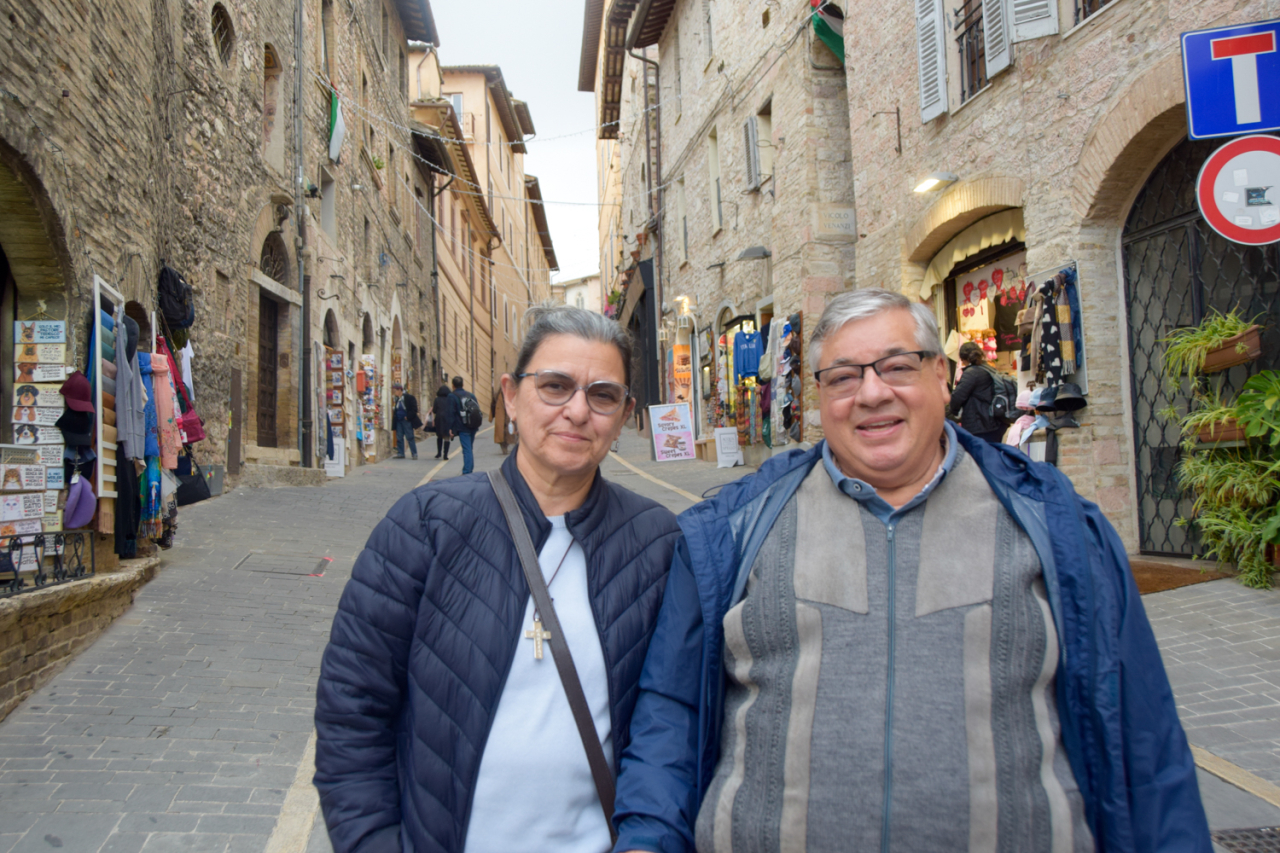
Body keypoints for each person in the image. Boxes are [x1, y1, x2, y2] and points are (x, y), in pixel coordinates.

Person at [614, 288, 1209, 853]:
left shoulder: (1055, 526)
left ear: (942, 378)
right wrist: (647, 839)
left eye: (898, 367)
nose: (872, 393)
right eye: (843, 377)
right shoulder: (733, 532)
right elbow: (672, 713)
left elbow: (1144, 736)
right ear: (819, 396)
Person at [315, 305, 682, 853]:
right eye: (555, 386)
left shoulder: (656, 543)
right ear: (511, 396)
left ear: (625, 413)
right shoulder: (426, 524)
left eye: (603, 395)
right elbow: (352, 709)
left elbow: (670, 725)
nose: (577, 411)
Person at [949, 340, 1006, 443]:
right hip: (995, 423)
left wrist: (952, 413)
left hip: (981, 425)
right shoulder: (988, 368)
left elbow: (957, 397)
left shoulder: (971, 373)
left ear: (962, 359)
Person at [447, 374, 480, 475]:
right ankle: (469, 468)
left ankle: (467, 471)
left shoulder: (452, 396)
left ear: (453, 385)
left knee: (467, 449)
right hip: (473, 425)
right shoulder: (471, 395)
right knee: (469, 448)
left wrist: (450, 428)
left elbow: (451, 413)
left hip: (463, 427)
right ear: (463, 384)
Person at [390, 382, 421, 460]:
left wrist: (408, 417)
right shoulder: (397, 399)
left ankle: (414, 453)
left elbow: (414, 409)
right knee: (399, 437)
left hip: (406, 421)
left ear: (399, 390)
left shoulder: (409, 398)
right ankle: (401, 453)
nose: (394, 393)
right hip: (399, 421)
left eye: (395, 391)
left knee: (410, 437)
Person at [430, 384, 452, 459]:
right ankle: (445, 455)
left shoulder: (437, 399)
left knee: (439, 436)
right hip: (447, 419)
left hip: (439, 419)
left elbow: (434, 410)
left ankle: (439, 453)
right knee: (447, 437)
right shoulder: (450, 399)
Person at [492, 383, 512, 455]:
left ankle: (505, 447)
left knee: (508, 433)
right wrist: (491, 416)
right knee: (501, 433)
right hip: (501, 415)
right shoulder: (497, 394)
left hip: (507, 415)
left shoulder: (510, 393)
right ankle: (504, 448)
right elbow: (493, 405)